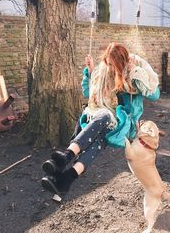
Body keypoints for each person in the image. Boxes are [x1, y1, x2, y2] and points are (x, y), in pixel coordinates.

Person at [41, 42, 160, 196]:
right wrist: (90, 72)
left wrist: (135, 73)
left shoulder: (131, 73)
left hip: (121, 123)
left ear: (122, 63)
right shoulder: (102, 72)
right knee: (97, 142)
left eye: (113, 65)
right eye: (107, 63)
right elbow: (87, 92)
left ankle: (66, 156)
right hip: (99, 118)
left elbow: (154, 95)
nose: (109, 67)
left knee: (104, 116)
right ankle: (65, 180)